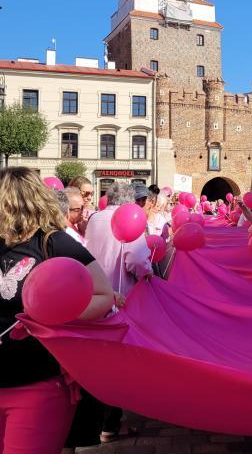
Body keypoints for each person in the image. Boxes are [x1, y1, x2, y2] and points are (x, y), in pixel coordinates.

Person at [0, 167, 113, 454]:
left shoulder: (54, 243)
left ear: (8, 199)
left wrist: (54, 312)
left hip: (37, 385)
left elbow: (103, 295)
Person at [83, 180, 149, 442]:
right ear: (129, 202)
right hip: (122, 296)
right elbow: (136, 260)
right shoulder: (130, 218)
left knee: (99, 358)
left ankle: (100, 420)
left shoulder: (95, 218)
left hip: (94, 295)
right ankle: (111, 424)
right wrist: (150, 275)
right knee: (119, 359)